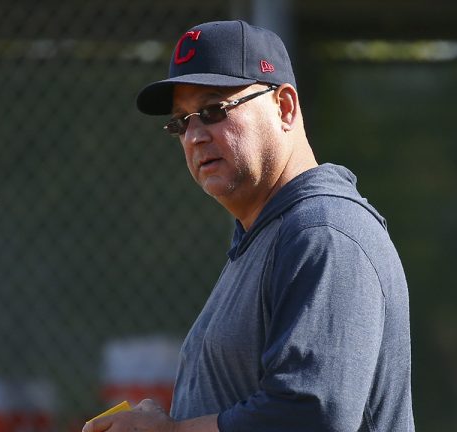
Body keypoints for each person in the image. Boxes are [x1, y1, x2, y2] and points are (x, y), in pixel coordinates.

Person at [84, 20, 414, 432]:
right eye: (181, 122)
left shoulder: (325, 231)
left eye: (213, 110)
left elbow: (313, 414)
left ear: (285, 107)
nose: (194, 136)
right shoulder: (265, 235)